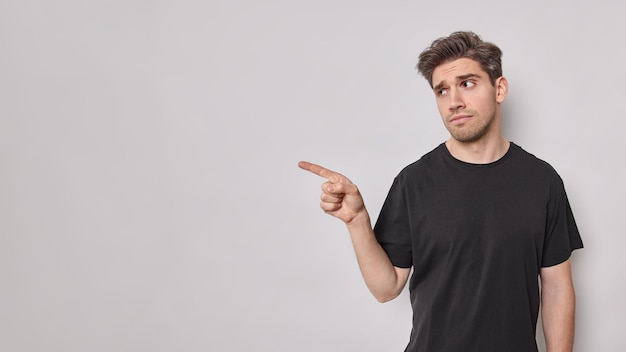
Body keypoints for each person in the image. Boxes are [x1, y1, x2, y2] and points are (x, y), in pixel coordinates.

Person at [298, 31, 583, 352]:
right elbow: (386, 287)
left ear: (499, 88)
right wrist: (357, 221)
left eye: (468, 83)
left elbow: (557, 286)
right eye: (442, 90)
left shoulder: (542, 181)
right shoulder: (413, 182)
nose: (454, 101)